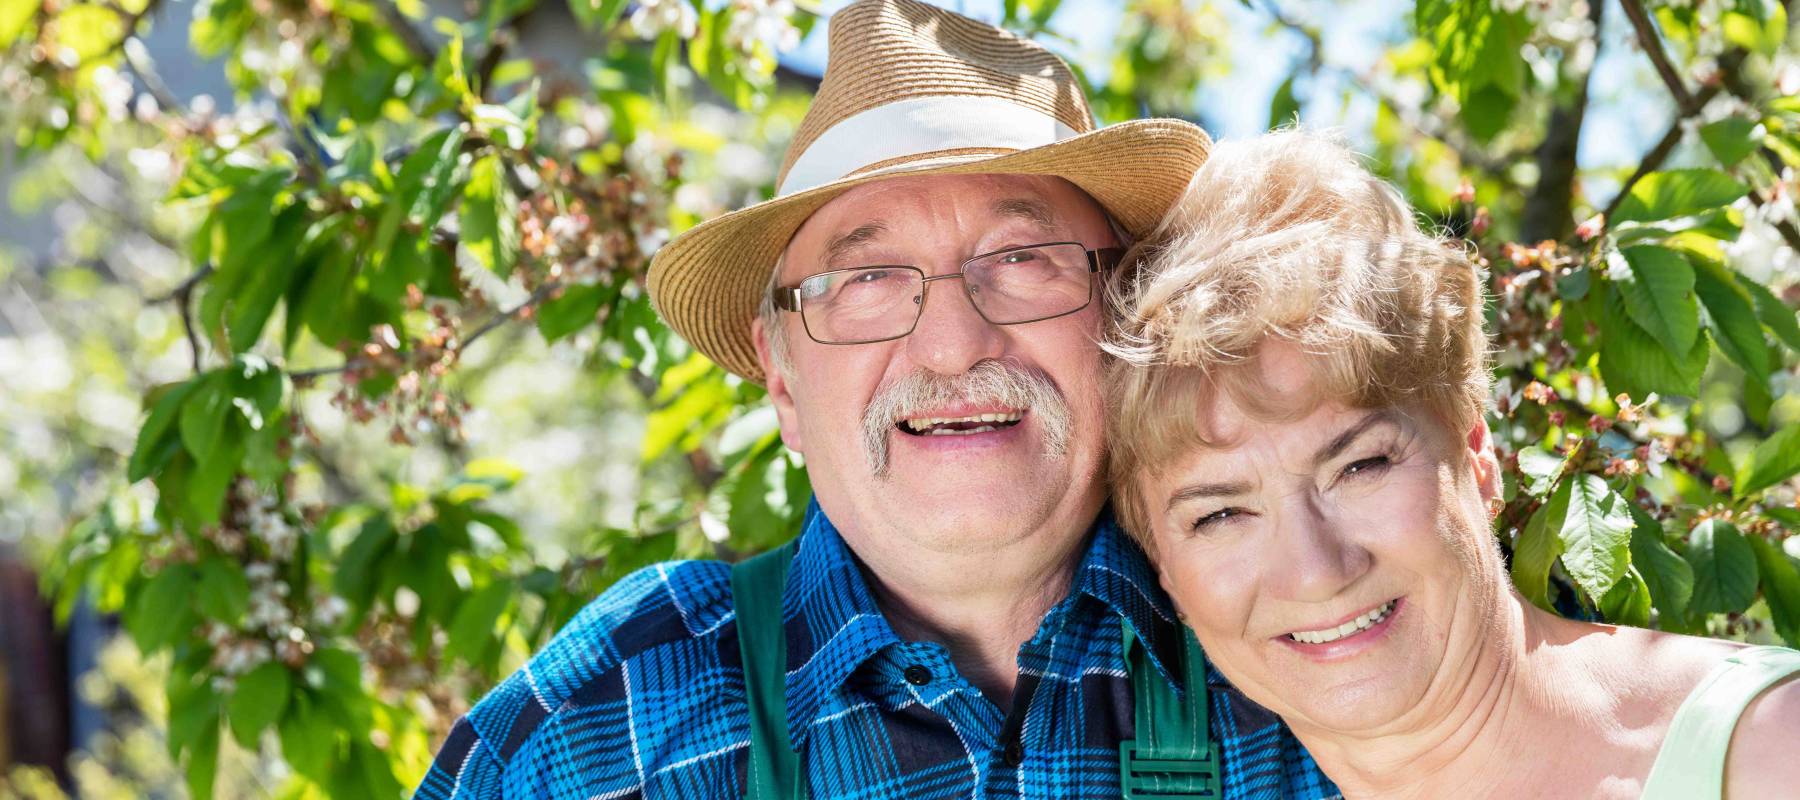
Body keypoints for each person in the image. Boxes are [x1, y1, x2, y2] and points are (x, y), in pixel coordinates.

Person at [414, 2, 1336, 797]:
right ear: (782, 384)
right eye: (866, 281)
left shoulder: (1308, 634)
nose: (951, 343)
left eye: (1020, 261)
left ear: (1126, 321)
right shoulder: (595, 728)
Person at [1103, 130, 1800, 799]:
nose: (1315, 571)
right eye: (1221, 513)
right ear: (1163, 572)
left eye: (1360, 467)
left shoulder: (1771, 752)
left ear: (1479, 453)